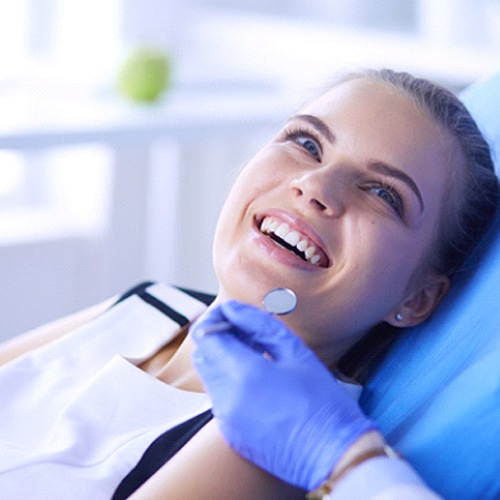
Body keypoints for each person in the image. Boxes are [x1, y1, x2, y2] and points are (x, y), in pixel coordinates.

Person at [0, 69, 498, 499]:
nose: (316, 186)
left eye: (383, 193)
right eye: (307, 143)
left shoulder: (267, 440)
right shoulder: (148, 303)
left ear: (416, 299)